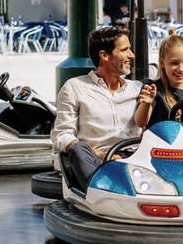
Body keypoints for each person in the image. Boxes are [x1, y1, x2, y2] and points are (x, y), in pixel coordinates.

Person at [50, 26, 142, 189]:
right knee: (78, 149)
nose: (132, 55)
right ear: (104, 55)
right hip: (96, 160)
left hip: (134, 158)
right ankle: (100, 189)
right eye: (124, 50)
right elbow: (62, 134)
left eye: (131, 49)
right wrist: (103, 155)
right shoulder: (75, 87)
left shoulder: (137, 88)